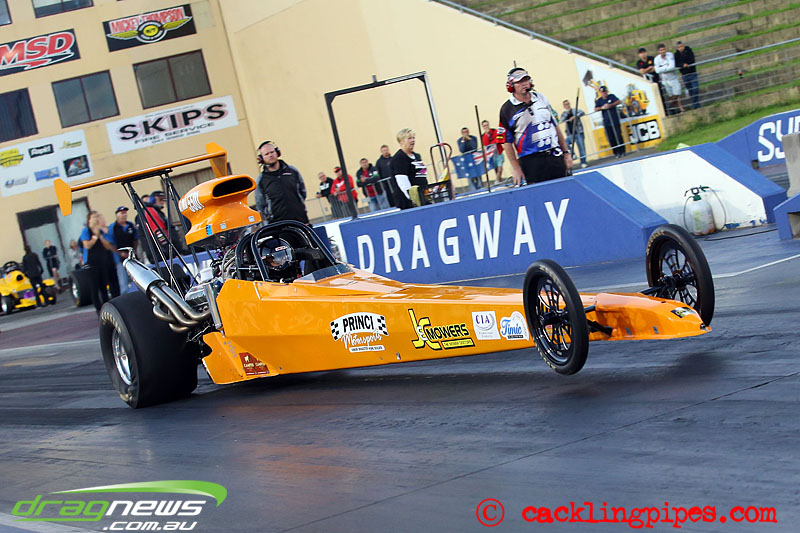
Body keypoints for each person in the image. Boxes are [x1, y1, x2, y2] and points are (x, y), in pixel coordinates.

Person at [499, 67, 572, 186]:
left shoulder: (541, 98)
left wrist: (566, 153)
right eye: (519, 82)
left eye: (526, 80)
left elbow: (555, 126)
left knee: (565, 189)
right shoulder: (506, 109)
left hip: (554, 155)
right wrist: (516, 168)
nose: (524, 84)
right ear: (511, 86)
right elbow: (506, 142)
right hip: (531, 162)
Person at [255, 140, 309, 224]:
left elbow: (302, 192)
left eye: (272, 152)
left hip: (300, 220)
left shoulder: (292, 171)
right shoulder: (261, 179)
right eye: (266, 154)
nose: (270, 155)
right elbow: (260, 204)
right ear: (261, 158)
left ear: (277, 152)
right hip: (277, 225)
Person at [80, 211, 119, 313]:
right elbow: (87, 245)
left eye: (97, 216)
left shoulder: (100, 231)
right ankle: (98, 309)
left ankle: (107, 309)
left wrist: (100, 236)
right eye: (94, 217)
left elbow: (108, 246)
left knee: (104, 287)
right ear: (89, 219)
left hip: (102, 262)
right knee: (94, 288)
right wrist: (95, 237)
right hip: (91, 263)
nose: (96, 219)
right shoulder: (86, 231)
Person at [390, 128, 428, 207]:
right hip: (409, 202)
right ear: (401, 141)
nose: (413, 140)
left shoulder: (417, 156)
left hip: (423, 195)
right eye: (409, 138)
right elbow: (402, 182)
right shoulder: (399, 158)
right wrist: (413, 199)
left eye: (413, 138)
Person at [108, 206, 138, 294]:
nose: (124, 215)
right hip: (119, 259)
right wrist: (120, 253)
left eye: (125, 213)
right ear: (117, 215)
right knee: (124, 283)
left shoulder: (130, 225)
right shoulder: (113, 227)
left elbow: (135, 239)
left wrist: (133, 251)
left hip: (131, 256)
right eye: (122, 213)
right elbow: (110, 243)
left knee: (136, 278)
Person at [594, 86, 626, 159]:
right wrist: (602, 107)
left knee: (618, 136)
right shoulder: (599, 100)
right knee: (611, 138)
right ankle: (616, 152)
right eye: (602, 92)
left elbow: (619, 101)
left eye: (605, 91)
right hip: (607, 122)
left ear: (607, 91)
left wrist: (610, 105)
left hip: (615, 120)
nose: (604, 93)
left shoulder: (611, 96)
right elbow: (595, 109)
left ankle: (622, 151)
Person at [654, 43, 685, 115]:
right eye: (661, 50)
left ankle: (671, 106)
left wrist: (662, 68)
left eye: (664, 49)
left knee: (677, 93)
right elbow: (657, 70)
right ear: (658, 51)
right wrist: (666, 67)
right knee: (670, 95)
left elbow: (671, 67)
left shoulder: (670, 55)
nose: (663, 51)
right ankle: (675, 109)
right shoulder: (657, 59)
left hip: (673, 78)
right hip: (665, 80)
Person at [560, 100, 588, 168]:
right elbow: (562, 119)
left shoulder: (575, 110)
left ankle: (583, 162)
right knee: (565, 143)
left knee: (581, 148)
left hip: (578, 132)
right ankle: (573, 154)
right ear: (564, 106)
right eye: (566, 105)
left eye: (568, 104)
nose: (567, 105)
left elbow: (582, 112)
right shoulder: (564, 113)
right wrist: (568, 113)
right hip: (570, 133)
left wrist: (575, 116)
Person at [675, 41, 701, 109]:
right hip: (684, 75)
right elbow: (676, 64)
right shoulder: (676, 55)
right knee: (690, 91)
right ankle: (696, 105)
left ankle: (695, 104)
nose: (681, 48)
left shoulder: (689, 51)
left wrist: (687, 64)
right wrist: (682, 65)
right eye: (679, 47)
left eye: (682, 46)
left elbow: (692, 59)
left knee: (695, 89)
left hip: (692, 73)